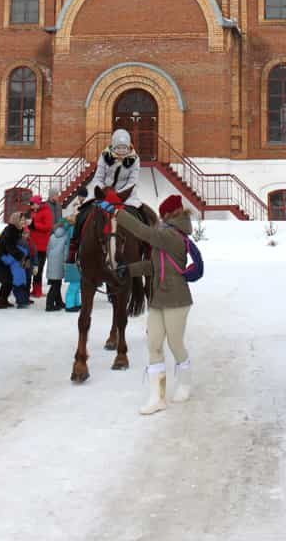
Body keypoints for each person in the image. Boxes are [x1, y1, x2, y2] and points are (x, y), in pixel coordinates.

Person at [115, 193, 194, 415]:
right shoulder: (164, 234)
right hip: (159, 298)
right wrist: (128, 270)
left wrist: (117, 213)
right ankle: (157, 396)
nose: (160, 218)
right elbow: (153, 266)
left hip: (177, 299)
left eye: (162, 215)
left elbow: (143, 232)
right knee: (154, 344)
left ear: (170, 214)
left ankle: (185, 383)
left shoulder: (173, 235)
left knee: (176, 344)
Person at [67, 132, 141, 263]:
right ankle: (74, 247)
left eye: (124, 148)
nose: (121, 151)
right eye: (119, 147)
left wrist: (118, 195)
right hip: (104, 193)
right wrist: (104, 192)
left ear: (129, 147)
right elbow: (98, 177)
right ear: (113, 147)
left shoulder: (135, 159)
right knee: (83, 214)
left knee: (142, 215)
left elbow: (132, 181)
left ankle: (145, 247)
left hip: (125, 195)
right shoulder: (105, 156)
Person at [0, 211, 29, 309]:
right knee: (7, 280)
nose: (23, 222)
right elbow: (9, 246)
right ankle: (0, 302)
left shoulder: (18, 230)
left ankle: (3, 300)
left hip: (6, 258)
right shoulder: (10, 230)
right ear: (16, 220)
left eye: (24, 220)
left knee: (9, 279)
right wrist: (21, 256)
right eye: (21, 220)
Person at [28, 194, 53, 297]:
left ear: (38, 204)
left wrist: (33, 225)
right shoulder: (34, 212)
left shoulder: (46, 212)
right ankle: (34, 289)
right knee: (33, 267)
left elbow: (47, 226)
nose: (31, 206)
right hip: (33, 244)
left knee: (39, 268)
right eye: (31, 204)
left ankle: (38, 290)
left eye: (33, 204)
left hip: (41, 245)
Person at [45, 220, 68, 311]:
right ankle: (49, 305)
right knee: (56, 285)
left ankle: (59, 302)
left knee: (56, 283)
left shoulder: (52, 236)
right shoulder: (66, 236)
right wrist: (66, 261)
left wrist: (49, 258)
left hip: (52, 260)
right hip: (60, 261)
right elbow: (66, 251)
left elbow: (48, 249)